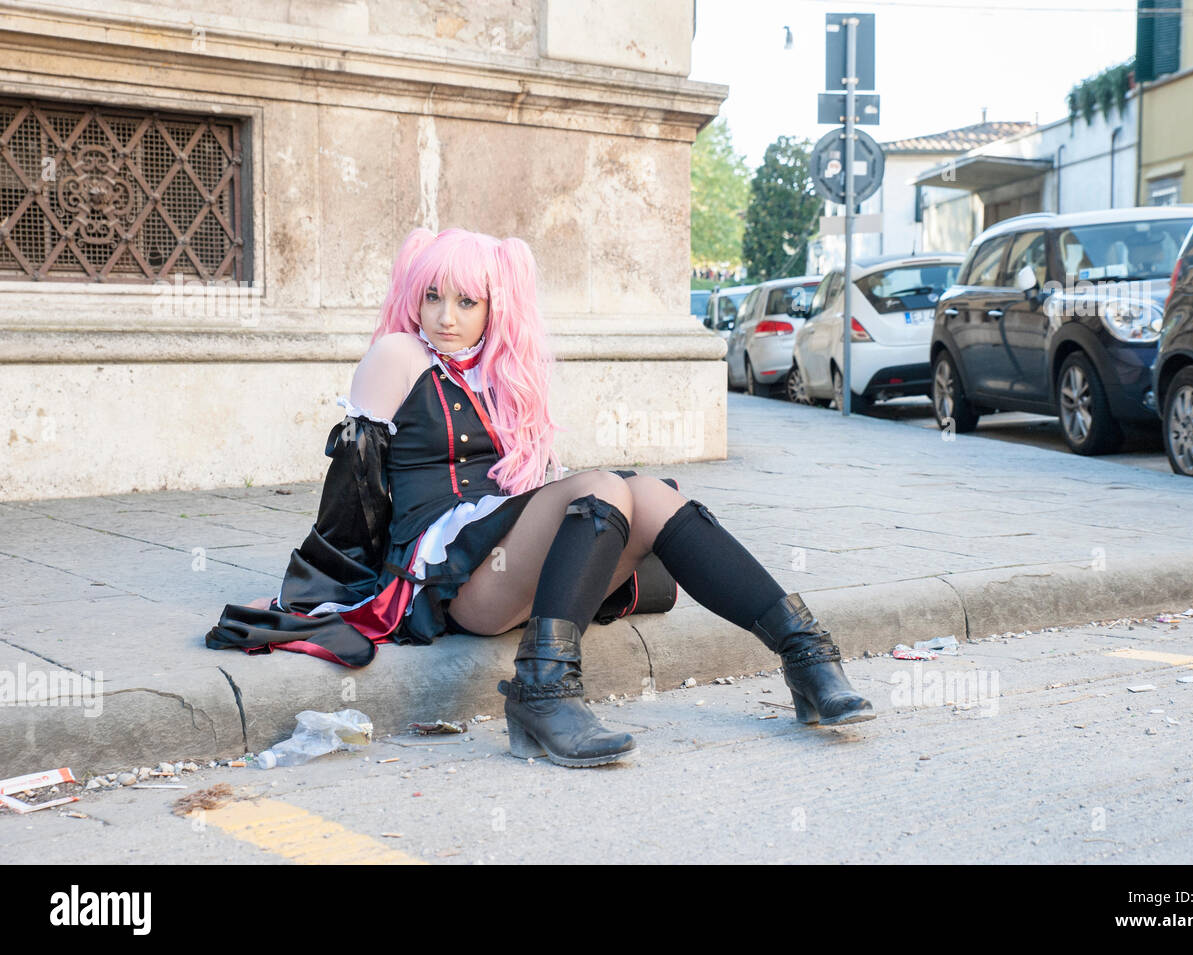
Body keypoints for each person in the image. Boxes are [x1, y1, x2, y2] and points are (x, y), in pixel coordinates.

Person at [206, 227, 874, 768]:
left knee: (646, 492)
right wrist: (341, 588)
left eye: (467, 302)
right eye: (433, 295)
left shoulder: (499, 376)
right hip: (445, 573)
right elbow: (352, 492)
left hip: (506, 556)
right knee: (606, 485)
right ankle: (541, 693)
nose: (445, 315)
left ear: (495, 307)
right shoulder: (397, 355)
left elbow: (527, 493)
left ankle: (805, 655)